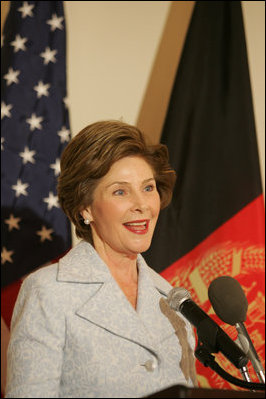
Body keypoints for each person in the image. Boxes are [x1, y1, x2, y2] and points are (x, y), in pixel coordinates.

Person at [5, 120, 198, 398]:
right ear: (86, 208)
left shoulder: (172, 300)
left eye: (148, 188)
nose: (142, 205)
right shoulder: (47, 292)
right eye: (120, 191)